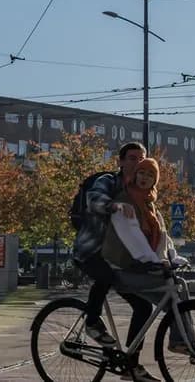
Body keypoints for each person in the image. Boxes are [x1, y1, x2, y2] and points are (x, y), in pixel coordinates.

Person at [102, 158, 195, 381]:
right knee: (173, 289)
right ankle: (182, 344)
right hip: (122, 269)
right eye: (141, 173)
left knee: (178, 287)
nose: (144, 178)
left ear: (155, 181)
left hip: (141, 268)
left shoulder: (151, 205)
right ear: (135, 175)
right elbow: (133, 239)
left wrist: (174, 258)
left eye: (150, 176)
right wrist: (155, 263)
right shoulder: (125, 203)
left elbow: (164, 239)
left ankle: (184, 344)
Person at [73, 142, 146, 348]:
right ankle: (92, 322)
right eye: (132, 158)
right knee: (105, 276)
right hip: (91, 251)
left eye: (141, 159)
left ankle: (131, 365)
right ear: (121, 161)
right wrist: (113, 205)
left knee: (143, 307)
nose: (137, 162)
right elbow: (94, 199)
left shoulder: (139, 191)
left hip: (119, 256)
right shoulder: (109, 181)